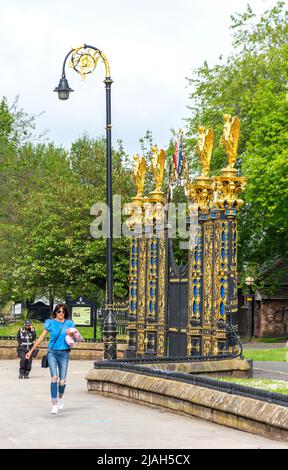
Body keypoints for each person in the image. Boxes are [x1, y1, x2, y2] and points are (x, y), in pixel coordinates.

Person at [26, 303, 75, 414]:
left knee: (62, 381)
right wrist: (31, 350)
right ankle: (54, 404)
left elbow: (74, 340)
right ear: (55, 312)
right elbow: (41, 337)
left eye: (63, 311)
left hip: (64, 354)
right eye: (59, 311)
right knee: (54, 378)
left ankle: (61, 398)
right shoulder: (51, 323)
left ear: (65, 313)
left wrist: (71, 334)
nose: (61, 313)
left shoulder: (69, 323)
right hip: (52, 353)